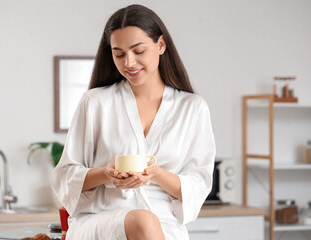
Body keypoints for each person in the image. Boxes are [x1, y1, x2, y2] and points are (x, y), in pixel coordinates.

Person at [51, 4, 215, 240]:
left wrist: (155, 173)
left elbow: (198, 184)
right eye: (119, 54)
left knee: (148, 222)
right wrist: (107, 173)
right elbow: (65, 177)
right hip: (100, 218)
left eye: (138, 51)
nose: (128, 63)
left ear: (160, 45)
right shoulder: (95, 102)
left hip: (166, 226)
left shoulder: (193, 108)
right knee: (143, 220)